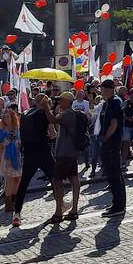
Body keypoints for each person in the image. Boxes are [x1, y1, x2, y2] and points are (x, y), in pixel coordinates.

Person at [12, 93, 56, 226]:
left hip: (29, 153)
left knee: (24, 184)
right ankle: (60, 207)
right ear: (44, 102)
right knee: (55, 179)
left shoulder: (24, 114)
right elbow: (53, 134)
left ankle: (17, 214)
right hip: (42, 151)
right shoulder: (44, 114)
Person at [51, 92, 82, 223]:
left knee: (57, 180)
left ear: (67, 102)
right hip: (71, 152)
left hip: (64, 153)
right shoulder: (71, 114)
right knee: (74, 178)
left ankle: (59, 211)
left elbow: (52, 120)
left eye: (61, 100)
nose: (59, 102)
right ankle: (74, 209)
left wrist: (47, 108)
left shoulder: (67, 114)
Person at [98, 80, 126, 216]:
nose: (100, 91)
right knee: (115, 173)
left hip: (111, 142)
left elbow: (113, 123)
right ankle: (119, 203)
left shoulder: (114, 102)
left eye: (102, 88)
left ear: (107, 89)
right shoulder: (112, 101)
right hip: (113, 142)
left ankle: (118, 206)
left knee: (113, 174)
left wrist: (105, 138)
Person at [0, 107, 22, 220]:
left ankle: (15, 200)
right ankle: (8, 204)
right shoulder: (2, 129)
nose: (6, 119)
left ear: (12, 117)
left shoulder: (16, 128)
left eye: (8, 117)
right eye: (4, 117)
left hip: (17, 156)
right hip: (6, 157)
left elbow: (20, 141)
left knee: (18, 179)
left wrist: (19, 143)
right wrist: (2, 144)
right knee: (9, 180)